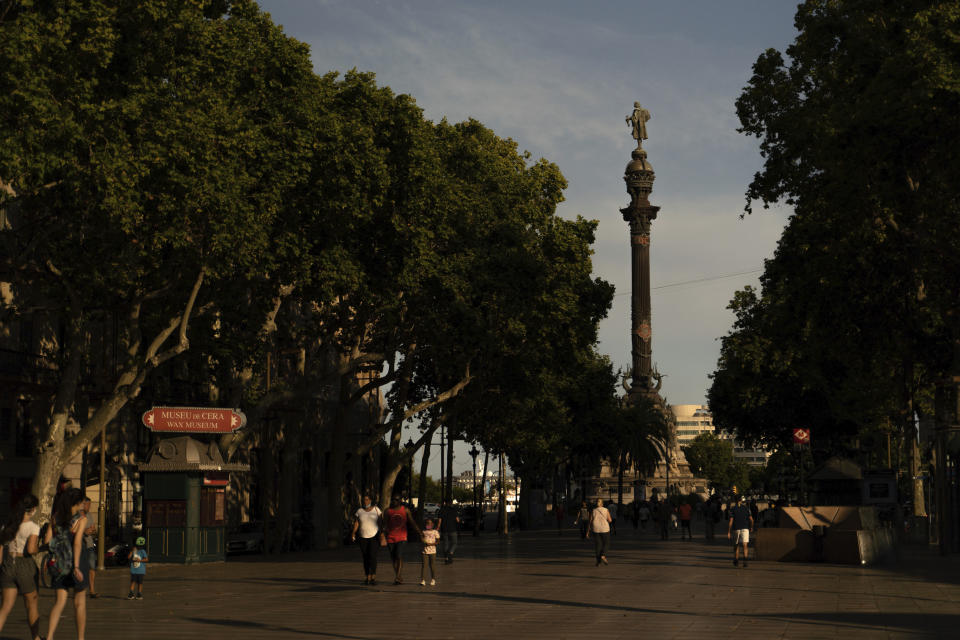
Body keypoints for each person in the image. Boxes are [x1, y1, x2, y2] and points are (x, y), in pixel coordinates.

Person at [45, 487, 88, 640]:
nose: (83, 504)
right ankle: (80, 638)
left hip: (59, 564)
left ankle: (49, 637)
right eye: (82, 502)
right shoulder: (81, 520)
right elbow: (77, 543)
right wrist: (76, 567)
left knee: (59, 602)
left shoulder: (55, 517)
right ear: (76, 502)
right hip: (77, 562)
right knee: (79, 602)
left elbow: (47, 541)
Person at [0, 494, 42, 640]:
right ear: (32, 509)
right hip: (24, 564)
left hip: (8, 564)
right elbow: (31, 550)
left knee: (5, 608)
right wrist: (39, 548)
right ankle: (35, 638)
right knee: (31, 604)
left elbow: (1, 546)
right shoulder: (33, 527)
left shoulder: (8, 525)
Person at [384, 495, 421, 585]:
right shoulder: (388, 511)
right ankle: (398, 576)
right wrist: (383, 534)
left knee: (398, 555)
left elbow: (412, 522)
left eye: (396, 499)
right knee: (393, 558)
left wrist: (419, 532)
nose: (394, 501)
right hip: (390, 537)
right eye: (392, 499)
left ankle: (398, 576)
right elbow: (384, 524)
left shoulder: (405, 510)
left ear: (400, 500)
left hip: (402, 536)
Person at [350, 494, 382, 585]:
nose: (365, 501)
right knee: (365, 557)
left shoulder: (376, 509)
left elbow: (381, 521)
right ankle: (367, 576)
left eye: (367, 500)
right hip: (362, 537)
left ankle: (373, 577)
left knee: (373, 556)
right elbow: (357, 523)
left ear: (370, 500)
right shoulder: (359, 511)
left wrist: (382, 533)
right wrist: (353, 533)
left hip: (374, 536)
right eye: (364, 500)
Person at [727, 495, 754, 567]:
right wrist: (751, 527)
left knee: (736, 545)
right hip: (745, 528)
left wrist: (729, 532)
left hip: (736, 528)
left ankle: (736, 559)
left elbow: (731, 521)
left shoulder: (732, 509)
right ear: (741, 500)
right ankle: (745, 560)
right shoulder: (746, 508)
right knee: (745, 545)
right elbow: (751, 520)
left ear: (735, 501)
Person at [81, 497, 99, 598]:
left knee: (92, 568)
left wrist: (93, 530)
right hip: (81, 545)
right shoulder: (77, 515)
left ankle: (92, 590)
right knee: (82, 568)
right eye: (87, 505)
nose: (89, 507)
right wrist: (84, 531)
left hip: (89, 544)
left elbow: (94, 531)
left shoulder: (89, 515)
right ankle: (81, 589)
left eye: (90, 505)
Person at [586, 498, 612, 566]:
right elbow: (610, 520)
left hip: (596, 529)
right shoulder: (606, 510)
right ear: (602, 503)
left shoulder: (593, 510)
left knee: (598, 545)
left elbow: (590, 521)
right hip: (605, 529)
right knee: (606, 543)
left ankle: (598, 561)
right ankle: (603, 555)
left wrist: (587, 532)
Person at [437, 500, 459, 564]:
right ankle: (450, 553)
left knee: (445, 544)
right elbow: (457, 520)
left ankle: (446, 559)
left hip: (444, 529)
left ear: (445, 503)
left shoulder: (441, 510)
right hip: (453, 529)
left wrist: (437, 529)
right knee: (454, 543)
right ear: (451, 503)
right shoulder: (454, 510)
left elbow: (439, 521)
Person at [419, 518, 440, 586]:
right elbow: (421, 538)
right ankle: (423, 580)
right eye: (427, 523)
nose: (429, 525)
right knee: (424, 566)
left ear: (433, 524)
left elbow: (438, 541)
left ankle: (433, 579)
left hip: (433, 551)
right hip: (425, 551)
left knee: (432, 565)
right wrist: (423, 541)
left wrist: (432, 544)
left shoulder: (435, 532)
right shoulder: (423, 532)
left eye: (430, 523)